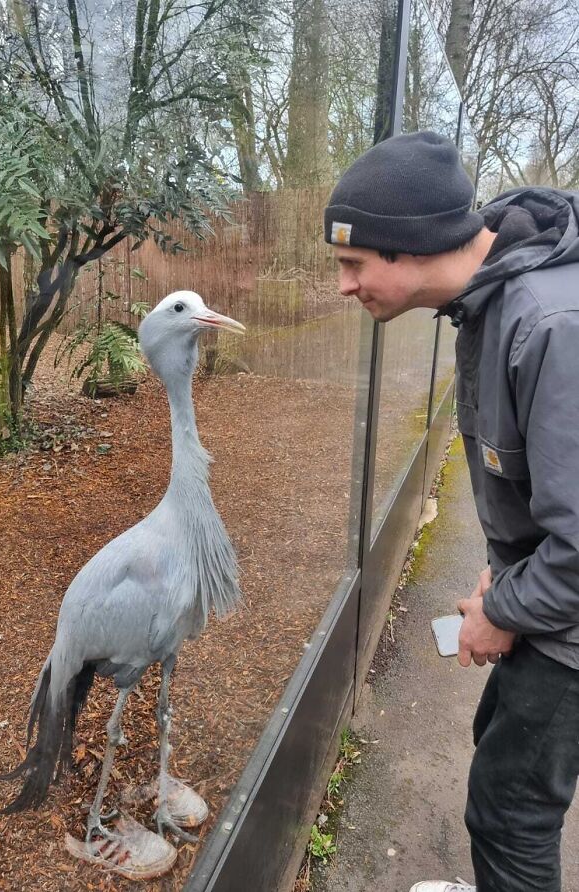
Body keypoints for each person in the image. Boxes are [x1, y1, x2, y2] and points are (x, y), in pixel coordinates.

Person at [324, 130, 579, 892]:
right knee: (497, 763)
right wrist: (506, 562)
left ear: (408, 248)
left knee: (511, 814)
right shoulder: (494, 297)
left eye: (352, 263)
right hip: (550, 600)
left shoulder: (548, 326)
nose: (343, 285)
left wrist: (502, 607)